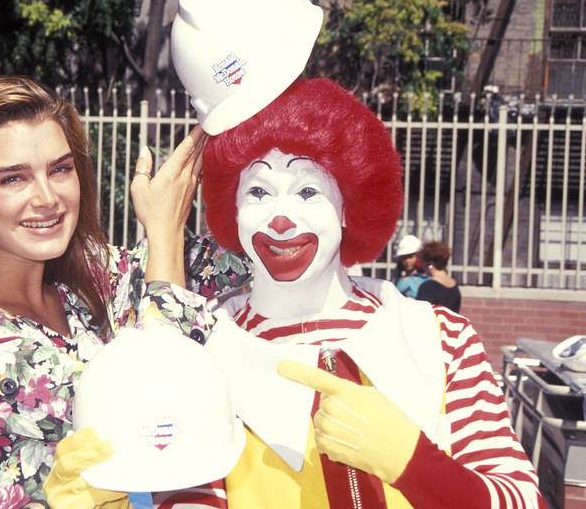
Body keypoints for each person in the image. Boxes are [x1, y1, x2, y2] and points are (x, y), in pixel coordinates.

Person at [0, 76, 250, 509]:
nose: (47, 198)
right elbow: (157, 402)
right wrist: (165, 230)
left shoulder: (83, 280)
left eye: (60, 169)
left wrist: (261, 130)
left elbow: (237, 256)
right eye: (13, 179)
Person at [151, 77, 546, 509]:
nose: (280, 218)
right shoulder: (205, 353)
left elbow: (525, 499)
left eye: (307, 191)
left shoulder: (442, 339)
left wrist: (414, 463)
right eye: (259, 191)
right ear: (235, 209)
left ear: (347, 206)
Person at [416, 240, 461, 313]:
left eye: (423, 262)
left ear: (431, 263)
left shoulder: (428, 287)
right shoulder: (454, 285)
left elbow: (420, 314)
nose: (422, 265)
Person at [390, 234, 429, 299]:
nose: (407, 261)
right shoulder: (397, 281)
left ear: (419, 257)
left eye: (410, 257)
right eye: (404, 258)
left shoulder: (427, 279)